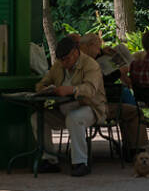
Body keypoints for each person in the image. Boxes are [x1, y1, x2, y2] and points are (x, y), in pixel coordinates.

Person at [31, 35, 106, 177]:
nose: (64, 63)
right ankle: (49, 160)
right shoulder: (59, 65)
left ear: (75, 53)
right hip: (63, 107)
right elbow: (43, 82)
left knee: (74, 118)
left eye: (67, 59)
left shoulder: (91, 65)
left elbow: (90, 90)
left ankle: (80, 163)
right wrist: (45, 88)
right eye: (61, 60)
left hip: (91, 108)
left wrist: (72, 90)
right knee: (37, 118)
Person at [78, 33, 147, 160]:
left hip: (94, 102)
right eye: (98, 48)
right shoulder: (87, 62)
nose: (99, 50)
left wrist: (103, 53)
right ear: (90, 45)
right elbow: (101, 81)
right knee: (133, 110)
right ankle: (136, 149)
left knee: (125, 99)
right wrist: (120, 71)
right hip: (97, 104)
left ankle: (131, 147)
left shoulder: (81, 57)